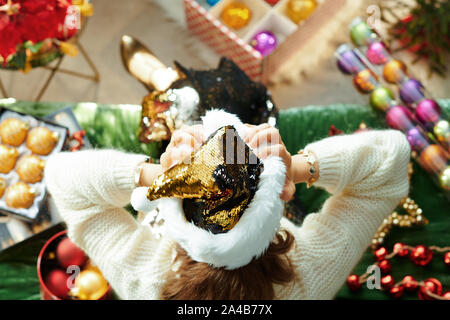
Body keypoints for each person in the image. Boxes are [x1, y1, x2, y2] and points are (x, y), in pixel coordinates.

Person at [44, 114, 410, 300]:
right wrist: (297, 167)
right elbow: (388, 163)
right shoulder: (309, 273)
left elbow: (62, 177)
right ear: (274, 205)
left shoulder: (145, 279)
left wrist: (156, 173)